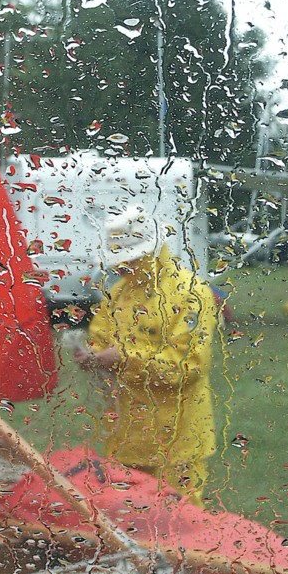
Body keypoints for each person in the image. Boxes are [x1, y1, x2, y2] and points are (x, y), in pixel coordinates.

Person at [75, 205, 217, 505]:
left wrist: (125, 358)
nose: (120, 268)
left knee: (181, 528)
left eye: (127, 260)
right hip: (127, 437)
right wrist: (90, 355)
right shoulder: (119, 293)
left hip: (177, 440)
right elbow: (99, 338)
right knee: (130, 522)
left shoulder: (190, 293)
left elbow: (188, 367)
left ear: (150, 252)